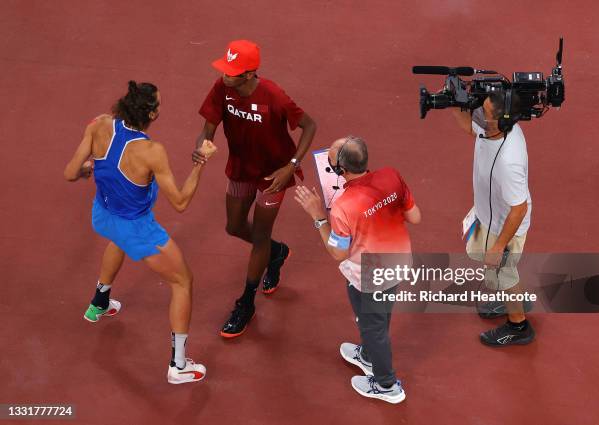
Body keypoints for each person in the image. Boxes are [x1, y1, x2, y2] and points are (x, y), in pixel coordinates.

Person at [64, 81, 217, 384]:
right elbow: (181, 202)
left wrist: (86, 170)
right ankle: (179, 365)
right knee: (183, 281)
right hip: (138, 228)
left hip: (104, 215)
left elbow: (70, 172)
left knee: (117, 241)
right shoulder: (151, 151)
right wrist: (201, 163)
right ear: (152, 114)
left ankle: (99, 302)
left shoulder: (99, 124)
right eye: (159, 104)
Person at [192, 40, 317, 338]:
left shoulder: (274, 96)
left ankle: (246, 302)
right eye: (224, 68)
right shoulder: (222, 88)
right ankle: (277, 251)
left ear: (249, 74)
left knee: (260, 234)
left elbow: (310, 126)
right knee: (234, 226)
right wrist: (202, 145)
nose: (225, 76)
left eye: (232, 72)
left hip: (272, 175)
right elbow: (209, 125)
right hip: (240, 168)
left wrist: (291, 165)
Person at [294, 136, 421, 404]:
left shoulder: (343, 205)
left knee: (373, 327)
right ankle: (367, 356)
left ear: (341, 171)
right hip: (398, 261)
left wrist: (318, 216)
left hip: (368, 275)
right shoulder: (391, 175)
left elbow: (338, 252)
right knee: (379, 315)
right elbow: (415, 216)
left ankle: (387, 385)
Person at [451, 90, 535, 346]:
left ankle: (518, 324)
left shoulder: (509, 162)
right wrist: (454, 104)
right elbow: (470, 127)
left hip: (503, 225)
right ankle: (511, 296)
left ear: (503, 121)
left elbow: (518, 208)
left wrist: (499, 247)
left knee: (503, 271)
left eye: (483, 114)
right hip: (489, 214)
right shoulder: (492, 129)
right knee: (496, 269)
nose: (476, 115)